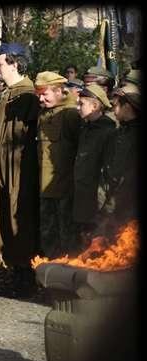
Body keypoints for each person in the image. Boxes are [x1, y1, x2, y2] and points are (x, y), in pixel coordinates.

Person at [0, 42, 40, 297]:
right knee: (1, 218)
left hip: (17, 171)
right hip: (0, 169)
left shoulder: (27, 94)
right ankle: (12, 273)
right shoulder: (6, 93)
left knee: (19, 219)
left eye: (0, 63)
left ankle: (24, 278)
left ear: (15, 63)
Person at [34, 71, 82, 258]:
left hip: (64, 189)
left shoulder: (70, 114)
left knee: (67, 237)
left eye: (45, 94)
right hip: (46, 188)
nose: (41, 98)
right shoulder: (44, 113)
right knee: (48, 236)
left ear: (58, 91)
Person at [73, 84, 117, 246]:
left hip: (96, 203)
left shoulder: (108, 132)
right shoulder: (86, 129)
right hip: (82, 198)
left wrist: (101, 207)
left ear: (95, 106)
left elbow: (107, 171)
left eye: (81, 104)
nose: (77, 107)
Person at [103, 85, 140, 224]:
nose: (113, 109)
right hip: (114, 202)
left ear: (128, 107)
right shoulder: (119, 132)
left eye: (116, 105)